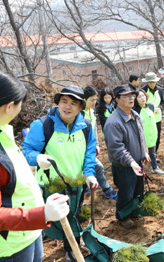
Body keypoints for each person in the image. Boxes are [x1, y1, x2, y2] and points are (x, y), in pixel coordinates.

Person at [22, 85, 98, 261]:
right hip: (51, 185)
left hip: (77, 183)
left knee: (74, 215)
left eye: (74, 103)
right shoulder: (43, 125)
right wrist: (37, 157)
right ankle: (72, 249)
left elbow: (89, 152)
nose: (68, 106)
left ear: (81, 107)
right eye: (64, 101)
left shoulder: (85, 126)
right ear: (58, 103)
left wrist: (89, 173)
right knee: (63, 218)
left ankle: (70, 247)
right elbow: (26, 150)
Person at [0, 72, 69, 261]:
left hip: (30, 229)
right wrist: (43, 213)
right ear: (8, 106)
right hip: (11, 242)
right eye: (20, 105)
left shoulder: (4, 131)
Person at [103, 85, 149, 229]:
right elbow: (117, 149)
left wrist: (144, 152)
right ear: (117, 100)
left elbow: (141, 137)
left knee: (137, 190)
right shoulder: (113, 122)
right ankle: (122, 216)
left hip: (137, 163)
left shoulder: (135, 115)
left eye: (132, 95)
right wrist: (131, 162)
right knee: (126, 193)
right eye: (126, 96)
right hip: (124, 167)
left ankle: (134, 212)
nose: (131, 98)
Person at [83, 86, 118, 200]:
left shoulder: (92, 112)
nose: (95, 102)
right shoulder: (80, 115)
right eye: (92, 100)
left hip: (90, 147)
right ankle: (107, 190)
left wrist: (96, 144)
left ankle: (87, 186)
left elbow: (94, 130)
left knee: (94, 168)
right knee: (99, 167)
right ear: (84, 100)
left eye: (95, 99)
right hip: (82, 149)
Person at [133, 89, 164, 174]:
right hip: (142, 136)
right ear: (135, 99)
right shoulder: (135, 110)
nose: (142, 98)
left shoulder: (150, 106)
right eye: (139, 97)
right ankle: (140, 171)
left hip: (152, 133)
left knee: (152, 153)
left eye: (143, 96)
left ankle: (155, 168)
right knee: (140, 155)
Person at [141, 72, 164, 155]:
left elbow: (162, 101)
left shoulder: (159, 90)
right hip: (145, 118)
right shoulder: (142, 91)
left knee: (156, 137)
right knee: (146, 136)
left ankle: (154, 154)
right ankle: (144, 154)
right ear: (146, 82)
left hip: (157, 118)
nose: (152, 84)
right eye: (150, 82)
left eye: (154, 82)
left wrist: (160, 108)